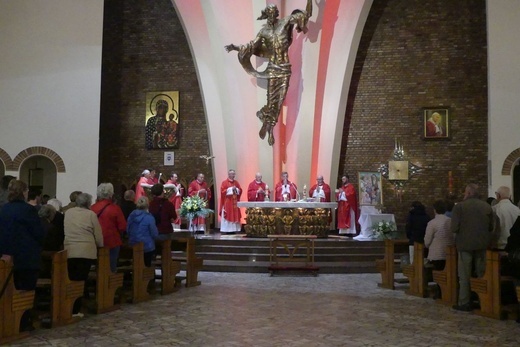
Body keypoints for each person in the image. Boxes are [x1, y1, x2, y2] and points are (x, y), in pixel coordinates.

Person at [225, 0, 313, 146]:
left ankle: (267, 123)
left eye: (274, 12)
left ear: (277, 14)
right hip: (273, 68)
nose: (272, 15)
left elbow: (305, 15)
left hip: (284, 68)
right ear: (266, 15)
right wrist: (235, 47)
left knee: (279, 101)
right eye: (269, 13)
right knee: (271, 100)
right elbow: (251, 46)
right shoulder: (264, 32)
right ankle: (269, 126)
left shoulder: (285, 22)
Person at [0, 179, 45, 331]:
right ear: (23, 192)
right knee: (25, 292)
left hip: (6, 257)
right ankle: (22, 323)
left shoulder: (3, 209)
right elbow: (39, 233)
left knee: (8, 292)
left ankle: (8, 322)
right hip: (26, 258)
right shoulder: (28, 210)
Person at [451, 183, 494, 312]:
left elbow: (454, 227)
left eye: (465, 192)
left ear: (468, 193)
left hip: (465, 245)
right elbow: (491, 227)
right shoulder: (486, 206)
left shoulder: (460, 207)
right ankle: (482, 301)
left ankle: (464, 302)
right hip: (482, 244)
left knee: (464, 275)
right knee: (481, 274)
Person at [64, 192, 104, 316]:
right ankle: (75, 309)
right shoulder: (91, 214)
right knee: (80, 281)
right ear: (88, 203)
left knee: (71, 279)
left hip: (70, 250)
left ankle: (69, 307)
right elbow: (98, 235)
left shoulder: (68, 213)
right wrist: (100, 245)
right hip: (85, 251)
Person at [91, 183, 127, 273]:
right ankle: (109, 284)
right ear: (111, 194)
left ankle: (98, 284)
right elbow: (122, 226)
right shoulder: (115, 208)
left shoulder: (92, 208)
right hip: (112, 241)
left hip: (95, 241)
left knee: (98, 267)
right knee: (111, 267)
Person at [126, 197, 159, 267]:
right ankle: (148, 275)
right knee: (147, 263)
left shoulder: (131, 216)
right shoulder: (149, 218)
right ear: (147, 205)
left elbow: (128, 229)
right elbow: (154, 233)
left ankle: (136, 274)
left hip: (133, 244)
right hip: (146, 246)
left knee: (136, 263)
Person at [424, 200, 454, 271]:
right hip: (450, 254)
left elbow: (427, 242)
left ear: (435, 210)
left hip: (436, 256)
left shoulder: (432, 223)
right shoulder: (451, 221)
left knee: (437, 276)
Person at [492, 186, 520, 250]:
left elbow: (492, 229)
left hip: (499, 245)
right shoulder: (517, 210)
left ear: (498, 195)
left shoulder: (494, 209)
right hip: (514, 245)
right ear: (510, 196)